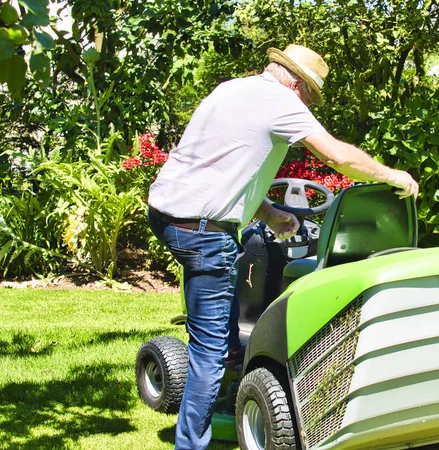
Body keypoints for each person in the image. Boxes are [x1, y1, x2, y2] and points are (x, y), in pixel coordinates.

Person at [147, 44, 419, 450]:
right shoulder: (281, 102)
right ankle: (191, 443)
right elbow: (339, 157)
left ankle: (232, 364)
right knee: (208, 353)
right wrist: (393, 175)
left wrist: (270, 214)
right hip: (205, 233)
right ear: (296, 84)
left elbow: (224, 168)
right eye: (311, 95)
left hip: (168, 216)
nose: (310, 105)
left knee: (219, 323)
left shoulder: (230, 90)